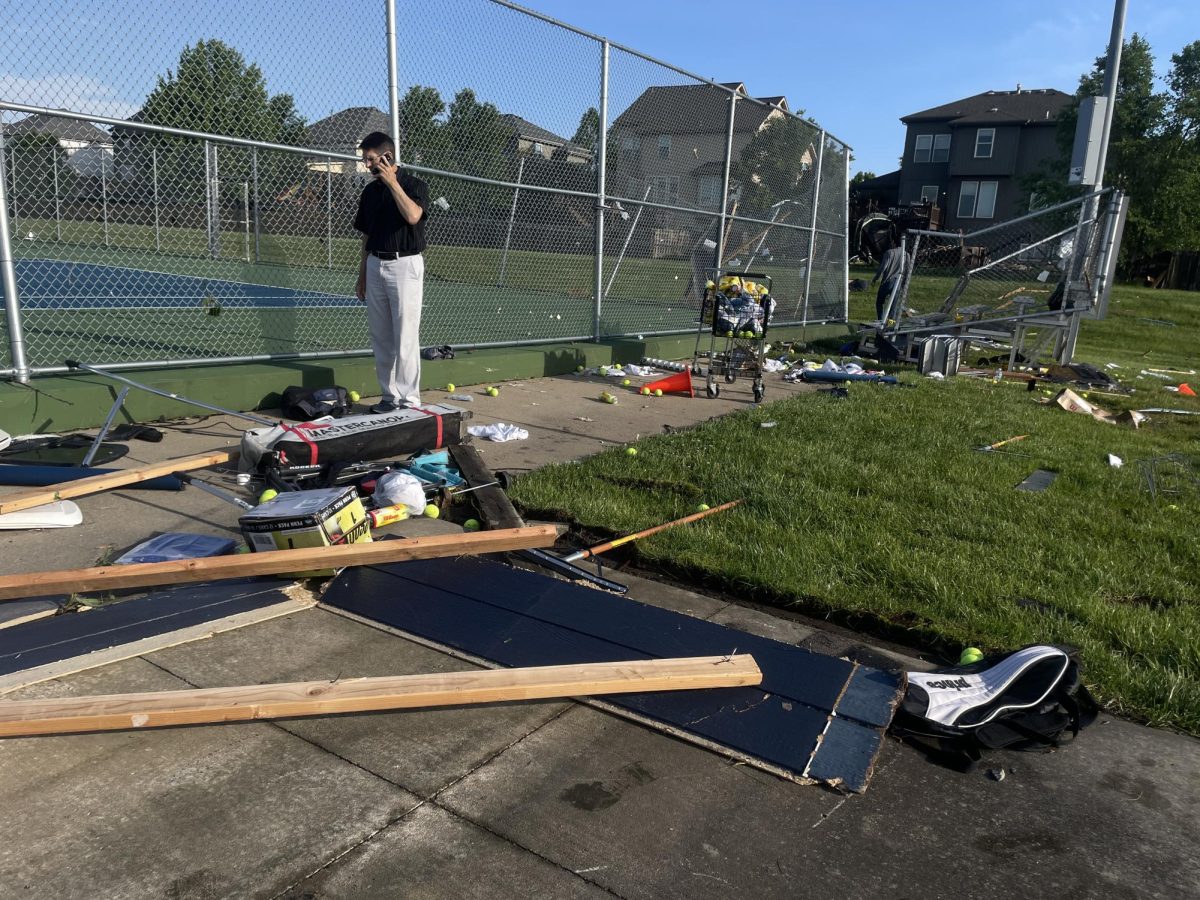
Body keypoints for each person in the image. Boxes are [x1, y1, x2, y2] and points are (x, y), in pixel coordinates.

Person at [353, 131, 429, 413]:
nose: (367, 165)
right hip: (375, 264)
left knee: (405, 335)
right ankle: (389, 397)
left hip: (405, 264)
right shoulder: (370, 192)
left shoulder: (414, 184)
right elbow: (366, 235)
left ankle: (410, 402)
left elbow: (412, 216)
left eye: (371, 160)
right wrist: (362, 273)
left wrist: (393, 183)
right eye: (365, 160)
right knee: (381, 335)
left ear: (388, 157)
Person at [872, 241, 909, 322]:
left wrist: (875, 278)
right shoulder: (906, 254)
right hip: (898, 282)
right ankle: (891, 323)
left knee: (879, 302)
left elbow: (883, 267)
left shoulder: (889, 252)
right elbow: (907, 270)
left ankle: (881, 321)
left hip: (887, 281)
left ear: (894, 243)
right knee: (893, 305)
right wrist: (904, 283)